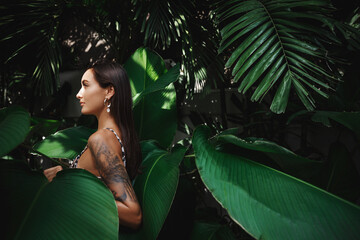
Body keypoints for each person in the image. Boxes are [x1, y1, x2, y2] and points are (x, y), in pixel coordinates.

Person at [44, 61, 142, 229]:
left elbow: (133, 215)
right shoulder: (115, 136)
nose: (78, 94)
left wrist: (68, 185)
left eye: (86, 86)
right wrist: (65, 173)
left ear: (109, 91)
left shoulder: (101, 139)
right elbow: (97, 182)